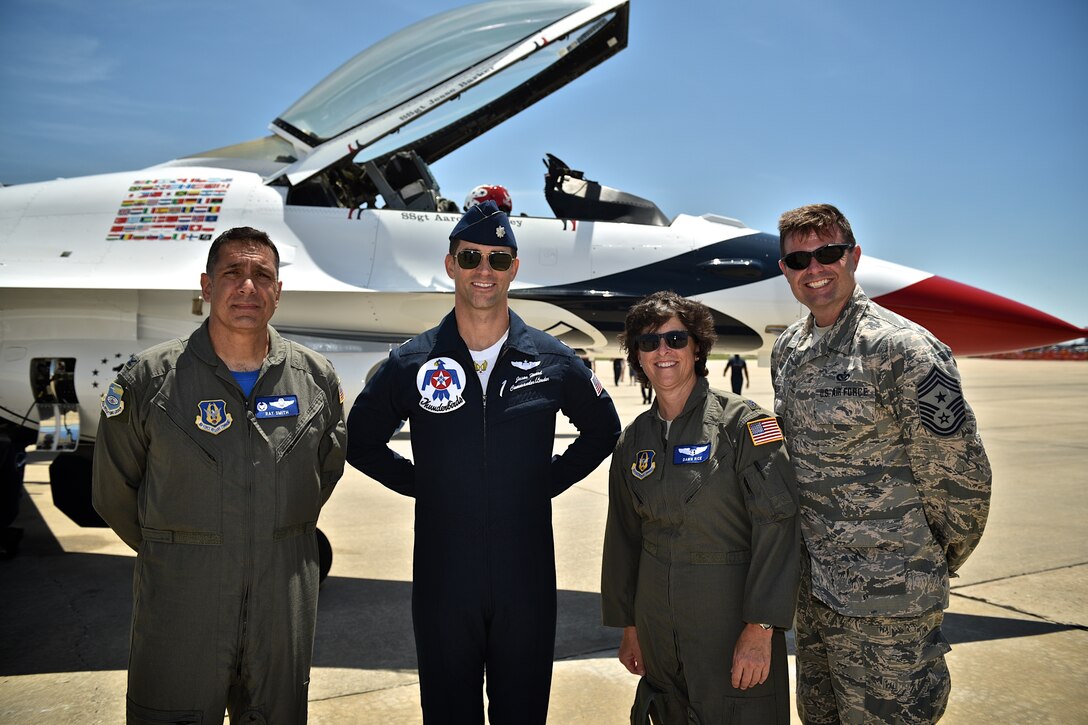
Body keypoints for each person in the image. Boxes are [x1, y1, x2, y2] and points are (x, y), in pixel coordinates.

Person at [346, 200, 620, 725]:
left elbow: (603, 430)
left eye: (498, 259)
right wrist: (423, 486)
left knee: (523, 713)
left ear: (514, 268)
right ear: (451, 264)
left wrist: (542, 483)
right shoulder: (412, 362)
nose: (484, 271)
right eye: (471, 257)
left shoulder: (551, 358)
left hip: (527, 577)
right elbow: (358, 441)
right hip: (444, 576)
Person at [92, 226, 347, 723]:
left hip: (281, 604)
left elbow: (324, 472)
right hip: (182, 602)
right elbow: (113, 490)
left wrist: (270, 531)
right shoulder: (149, 380)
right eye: (233, 273)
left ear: (277, 292)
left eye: (262, 275)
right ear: (207, 286)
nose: (247, 286)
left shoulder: (315, 379)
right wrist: (179, 550)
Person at [770, 204, 992, 724]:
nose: (815, 269)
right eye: (799, 259)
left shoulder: (902, 349)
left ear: (854, 256)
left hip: (889, 598)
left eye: (828, 253)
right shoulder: (790, 348)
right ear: (785, 269)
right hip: (815, 592)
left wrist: (924, 563)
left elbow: (960, 481)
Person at [601, 290, 800, 724]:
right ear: (637, 356)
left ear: (697, 347)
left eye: (675, 339)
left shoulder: (743, 424)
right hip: (657, 631)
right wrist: (630, 627)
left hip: (728, 628)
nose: (663, 351)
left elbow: (778, 525)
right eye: (648, 343)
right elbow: (623, 538)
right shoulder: (633, 440)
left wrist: (761, 628)